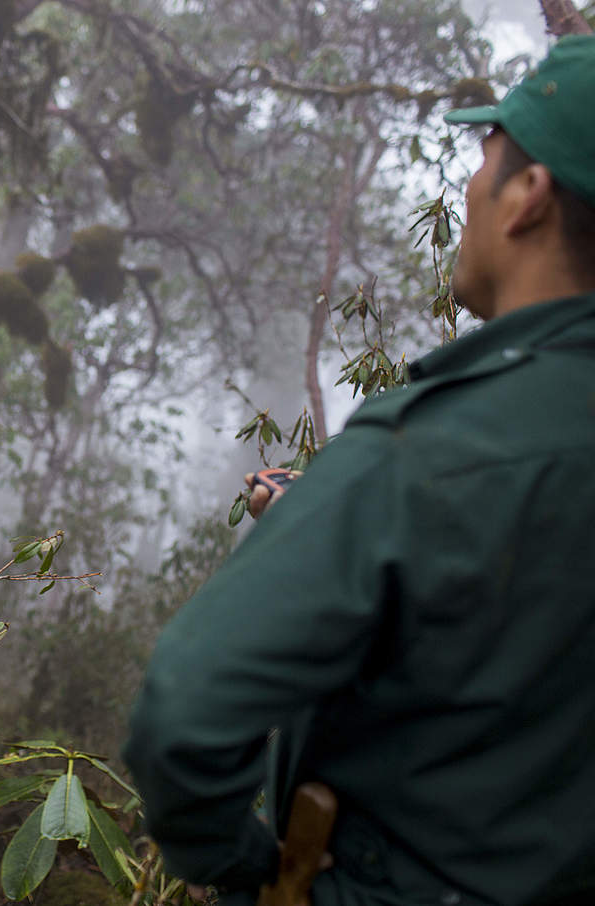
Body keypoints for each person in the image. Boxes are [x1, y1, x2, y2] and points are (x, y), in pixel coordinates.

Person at [124, 35, 595, 906]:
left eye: (485, 162)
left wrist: (256, 871)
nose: (467, 190)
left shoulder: (426, 453)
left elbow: (183, 715)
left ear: (528, 198)